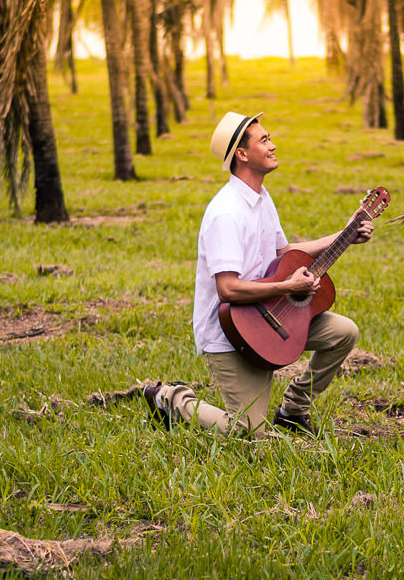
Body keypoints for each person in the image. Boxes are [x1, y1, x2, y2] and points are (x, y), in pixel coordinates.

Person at [142, 111, 373, 435]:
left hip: (267, 315)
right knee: (248, 434)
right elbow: (228, 289)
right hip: (231, 331)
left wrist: (344, 234)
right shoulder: (226, 213)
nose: (273, 145)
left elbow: (281, 253)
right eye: (264, 140)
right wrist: (287, 285)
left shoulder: (261, 199)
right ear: (242, 154)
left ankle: (293, 409)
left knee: (343, 332)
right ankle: (171, 399)